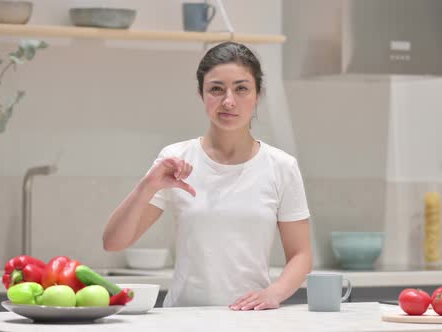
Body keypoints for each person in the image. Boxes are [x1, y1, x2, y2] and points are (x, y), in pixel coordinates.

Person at [103, 42, 312, 310]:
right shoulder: (176, 159)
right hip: (183, 318)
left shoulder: (281, 166)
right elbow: (114, 242)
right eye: (216, 88)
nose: (228, 101)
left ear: (257, 94)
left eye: (241, 88)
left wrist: (274, 293)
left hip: (251, 319)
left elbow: (301, 254)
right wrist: (147, 186)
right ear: (202, 94)